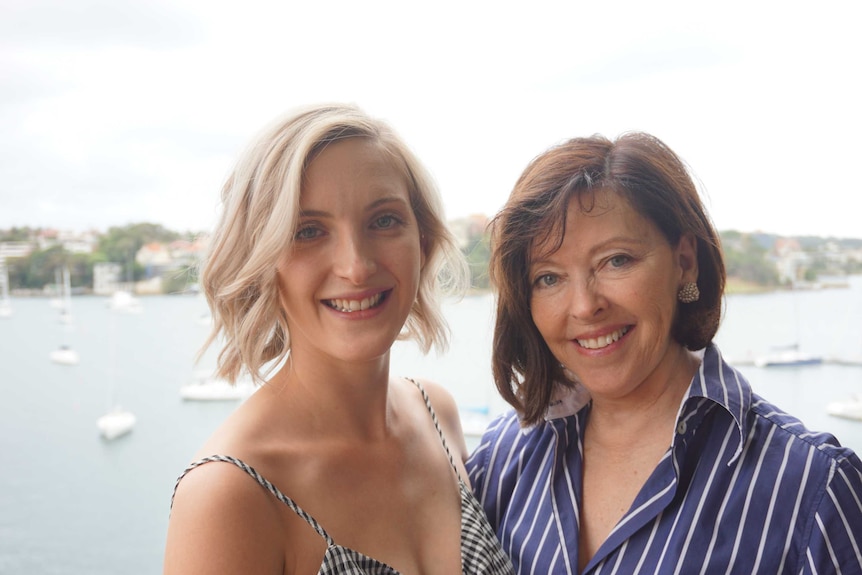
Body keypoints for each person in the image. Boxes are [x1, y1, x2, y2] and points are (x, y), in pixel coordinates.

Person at [466, 132, 862, 574]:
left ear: (685, 261)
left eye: (615, 260)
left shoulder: (813, 489)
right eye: (549, 278)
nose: (584, 306)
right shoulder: (501, 460)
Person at [164, 104, 514, 575]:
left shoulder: (436, 413)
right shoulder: (229, 495)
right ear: (260, 260)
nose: (356, 265)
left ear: (423, 240)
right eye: (308, 231)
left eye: (384, 220)